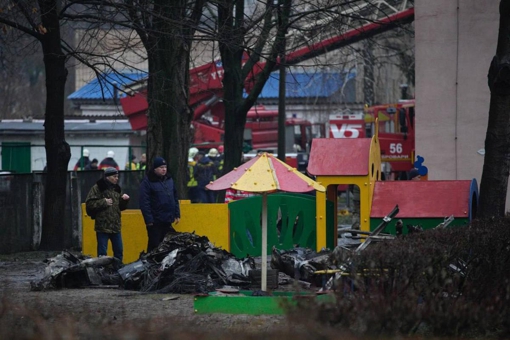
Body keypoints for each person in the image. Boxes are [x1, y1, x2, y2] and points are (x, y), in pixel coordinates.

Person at [85, 167, 130, 263]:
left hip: (115, 226)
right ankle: (102, 271)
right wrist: (103, 202)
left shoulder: (117, 189)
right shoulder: (98, 187)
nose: (117, 178)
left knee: (119, 251)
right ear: (107, 177)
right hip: (103, 226)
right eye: (114, 176)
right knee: (102, 254)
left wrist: (124, 200)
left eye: (117, 176)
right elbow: (89, 204)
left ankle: (117, 271)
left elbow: (120, 207)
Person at [139, 156, 181, 252]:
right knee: (154, 245)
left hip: (167, 219)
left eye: (165, 167)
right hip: (155, 221)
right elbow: (144, 202)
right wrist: (149, 220)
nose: (164, 169)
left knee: (168, 244)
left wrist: (177, 214)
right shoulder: (147, 182)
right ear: (155, 169)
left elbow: (174, 197)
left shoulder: (169, 180)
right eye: (161, 167)